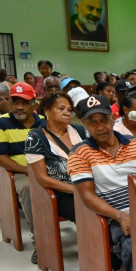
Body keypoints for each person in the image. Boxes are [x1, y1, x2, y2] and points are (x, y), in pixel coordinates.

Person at [68, 95, 136, 271]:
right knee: (134, 242)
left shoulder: (135, 143)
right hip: (113, 215)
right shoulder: (79, 153)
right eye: (93, 122)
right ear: (84, 124)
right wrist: (119, 215)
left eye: (104, 120)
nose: (100, 127)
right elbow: (87, 196)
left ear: (113, 118)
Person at [0, 82, 45, 262]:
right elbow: (0, 157)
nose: (19, 107)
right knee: (28, 188)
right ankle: (40, 242)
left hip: (47, 169)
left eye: (24, 102)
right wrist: (28, 170)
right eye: (15, 102)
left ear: (34, 104)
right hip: (20, 172)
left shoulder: (44, 121)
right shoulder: (1, 123)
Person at [24, 92, 88, 223]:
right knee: (92, 215)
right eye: (61, 109)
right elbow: (43, 179)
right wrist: (77, 191)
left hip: (91, 187)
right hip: (63, 194)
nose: (67, 113)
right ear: (47, 110)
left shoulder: (80, 131)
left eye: (70, 110)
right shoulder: (35, 137)